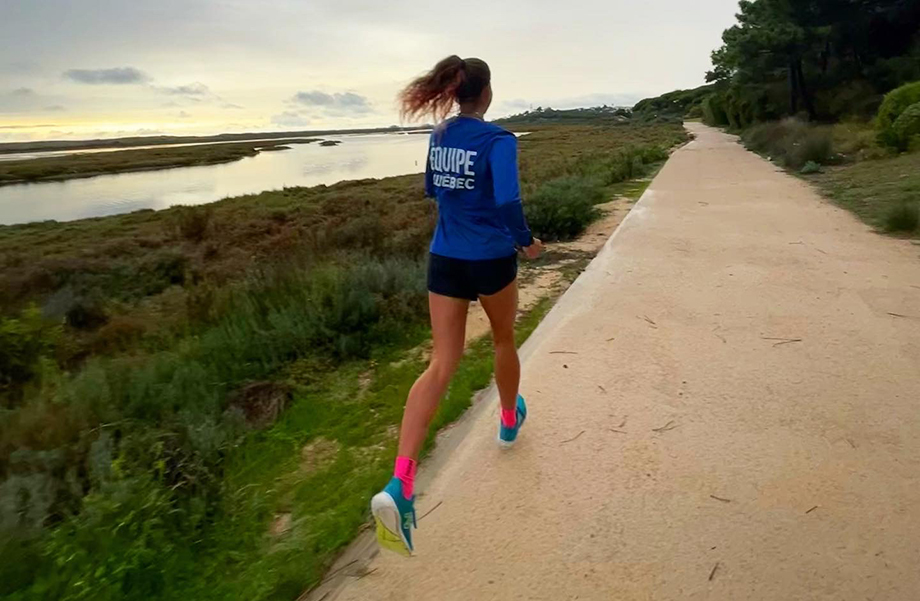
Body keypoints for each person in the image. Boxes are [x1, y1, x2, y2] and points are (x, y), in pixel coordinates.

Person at [371, 55, 543, 556]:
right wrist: (528, 243)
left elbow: (433, 189)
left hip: (444, 259)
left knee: (441, 363)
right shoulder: (499, 141)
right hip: (490, 260)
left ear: (455, 92)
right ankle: (509, 420)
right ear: (486, 93)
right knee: (504, 340)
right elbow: (509, 203)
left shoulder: (440, 135)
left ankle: (400, 483)